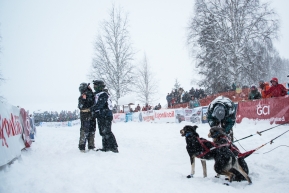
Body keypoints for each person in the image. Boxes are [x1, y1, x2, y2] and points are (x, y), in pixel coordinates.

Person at [90, 80, 118, 153]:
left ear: (99, 86)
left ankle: (114, 147)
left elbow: (100, 104)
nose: (94, 87)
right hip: (101, 116)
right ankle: (106, 147)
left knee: (107, 131)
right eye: (94, 86)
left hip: (106, 115)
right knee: (102, 132)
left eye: (95, 85)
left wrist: (92, 109)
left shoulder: (103, 94)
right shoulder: (97, 94)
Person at [78, 83, 96, 152]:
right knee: (86, 130)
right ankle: (83, 146)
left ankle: (90, 146)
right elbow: (81, 106)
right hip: (86, 116)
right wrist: (83, 99)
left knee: (91, 130)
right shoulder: (82, 97)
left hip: (90, 115)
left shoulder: (92, 95)